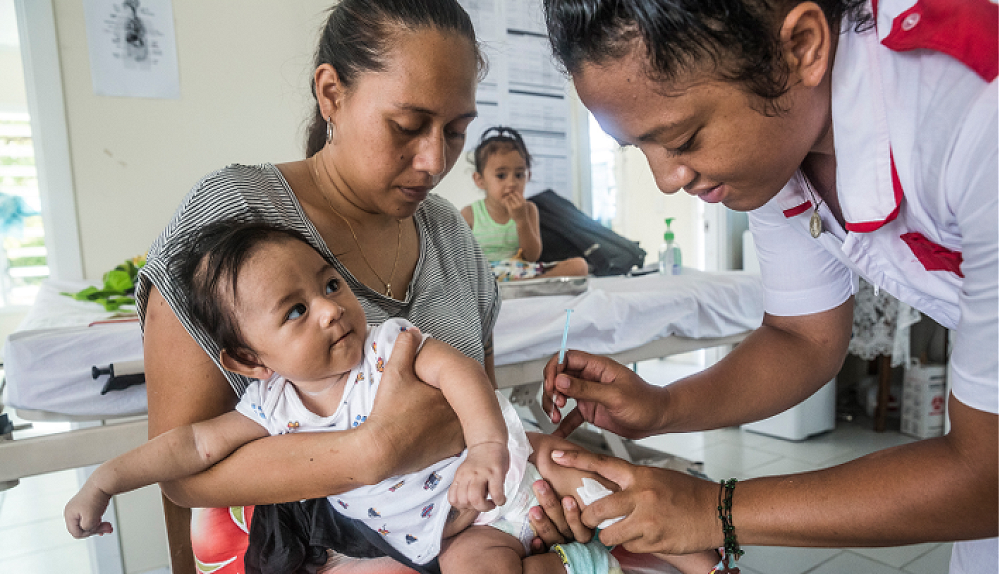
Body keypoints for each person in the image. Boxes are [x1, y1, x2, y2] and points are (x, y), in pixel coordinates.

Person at [531, 0, 998, 572]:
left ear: (801, 47)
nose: (667, 179)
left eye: (683, 138)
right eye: (638, 146)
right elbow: (802, 337)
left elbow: (988, 472)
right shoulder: (784, 138)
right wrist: (661, 406)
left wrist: (714, 510)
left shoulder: (977, 109)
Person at [130, 1, 566, 572]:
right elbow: (184, 475)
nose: (434, 160)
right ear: (331, 93)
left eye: (457, 131)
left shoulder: (450, 236)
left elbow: (479, 423)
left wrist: (527, 496)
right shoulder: (237, 217)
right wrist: (371, 450)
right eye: (406, 126)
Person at [75, 222, 686, 574]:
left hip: (515, 471)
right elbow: (190, 445)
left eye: (329, 284)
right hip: (454, 534)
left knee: (615, 493)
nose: (330, 309)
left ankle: (706, 559)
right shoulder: (270, 407)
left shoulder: (386, 346)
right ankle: (576, 564)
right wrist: (106, 480)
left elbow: (460, 372)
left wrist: (485, 447)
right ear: (249, 361)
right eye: (295, 311)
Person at [461, 126, 589, 281]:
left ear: (528, 176)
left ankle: (524, 284)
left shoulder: (529, 209)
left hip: (521, 273)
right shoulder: (469, 214)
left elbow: (532, 257)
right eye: (501, 176)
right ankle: (518, 287)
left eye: (519, 175)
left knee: (579, 266)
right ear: (480, 180)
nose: (512, 183)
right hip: (486, 277)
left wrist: (521, 220)